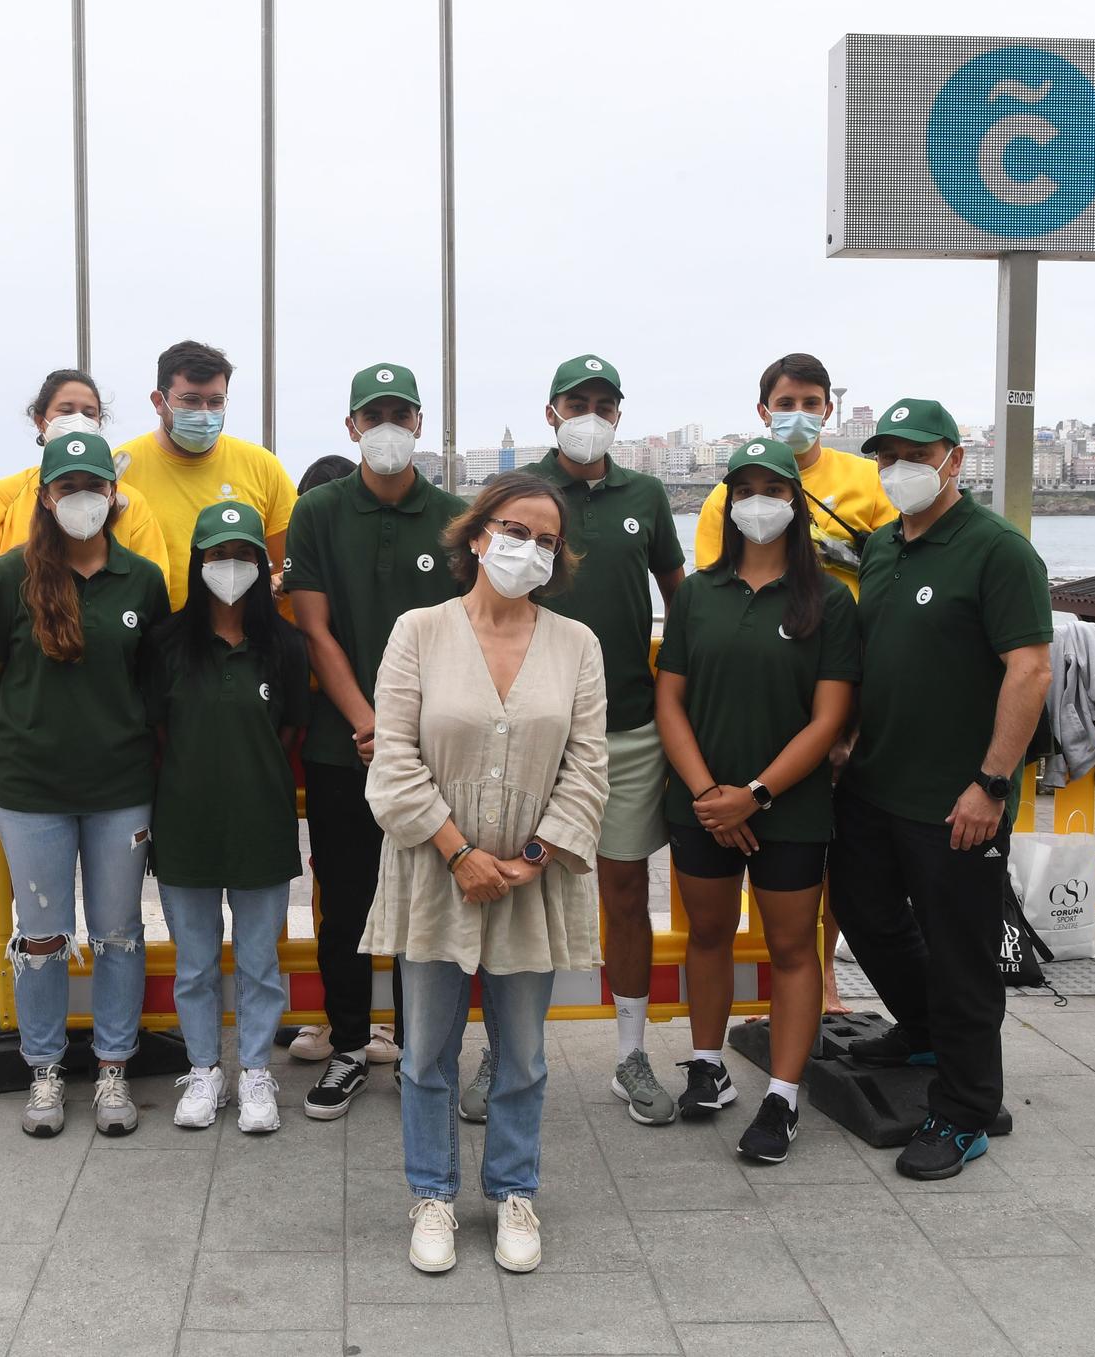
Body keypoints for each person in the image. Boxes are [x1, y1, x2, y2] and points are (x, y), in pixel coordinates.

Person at [364, 472, 609, 1275]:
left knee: (525, 1051)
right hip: (437, 871)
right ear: (476, 535)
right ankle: (432, 1192)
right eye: (515, 530)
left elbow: (587, 767)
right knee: (427, 1047)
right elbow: (393, 756)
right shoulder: (419, 631)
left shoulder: (578, 644)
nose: (529, 548)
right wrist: (459, 851)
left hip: (531, 879)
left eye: (545, 539)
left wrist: (530, 858)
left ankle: (513, 1190)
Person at [830, 398, 1052, 1180]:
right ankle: (920, 1025)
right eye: (887, 455)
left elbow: (1029, 668)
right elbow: (882, 654)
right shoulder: (885, 545)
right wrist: (849, 737)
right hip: (873, 780)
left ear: (954, 459)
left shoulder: (998, 550)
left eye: (916, 455)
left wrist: (992, 782)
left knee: (962, 954)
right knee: (862, 911)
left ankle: (963, 1110)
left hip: (959, 797)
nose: (900, 470)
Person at [655, 439, 860, 1164]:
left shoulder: (828, 600)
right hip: (702, 805)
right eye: (744, 488)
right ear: (728, 500)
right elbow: (670, 698)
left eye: (772, 487)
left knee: (791, 949)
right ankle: (707, 1065)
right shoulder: (698, 594)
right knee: (706, 936)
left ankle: (782, 1095)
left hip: (791, 806)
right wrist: (711, 793)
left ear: (795, 502)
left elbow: (829, 717)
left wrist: (758, 793)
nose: (758, 501)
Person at [0, 431, 170, 1137]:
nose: (83, 498)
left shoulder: (143, 579)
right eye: (67, 486)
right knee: (43, 934)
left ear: (113, 494)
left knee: (118, 932)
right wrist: (30, 729)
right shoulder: (6, 577)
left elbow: (153, 678)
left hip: (122, 788)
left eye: (95, 484)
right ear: (46, 497)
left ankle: (113, 1065)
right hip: (32, 792)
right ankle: (45, 1067)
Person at [282, 362, 465, 1119]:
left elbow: (467, 634)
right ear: (351, 427)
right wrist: (370, 723)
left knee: (435, 898)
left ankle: (431, 1051)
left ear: (419, 423)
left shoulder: (456, 514)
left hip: (435, 748)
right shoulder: (319, 511)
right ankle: (353, 1044)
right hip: (342, 742)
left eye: (401, 413)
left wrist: (407, 734)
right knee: (348, 899)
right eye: (373, 414)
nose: (387, 427)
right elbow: (315, 629)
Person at [694, 353, 898, 1016]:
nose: (801, 414)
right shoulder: (726, 496)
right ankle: (781, 978)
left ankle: (825, 966)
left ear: (829, 409)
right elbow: (715, 592)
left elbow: (898, 557)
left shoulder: (868, 479)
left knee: (830, 838)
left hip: (852, 681)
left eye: (814, 402)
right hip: (768, 679)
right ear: (763, 410)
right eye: (788, 402)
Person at [521, 354, 685, 1126]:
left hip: (627, 723)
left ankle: (629, 1053)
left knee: (624, 892)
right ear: (551, 410)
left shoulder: (646, 495)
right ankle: (505, 1054)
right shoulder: (519, 493)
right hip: (528, 727)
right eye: (576, 401)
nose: (590, 413)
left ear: (619, 415)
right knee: (520, 895)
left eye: (603, 403)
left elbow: (678, 595)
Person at [147, 501, 309, 1134]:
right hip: (185, 823)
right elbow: (157, 730)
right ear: (198, 561)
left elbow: (292, 730)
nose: (231, 566)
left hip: (261, 823)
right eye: (218, 555)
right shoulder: (166, 644)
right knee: (193, 963)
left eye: (244, 555)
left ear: (261, 563)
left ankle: (255, 1072)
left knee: (259, 961)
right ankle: (204, 1069)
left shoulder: (285, 646)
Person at [114, 340, 297, 607]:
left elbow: (292, 564)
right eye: (190, 400)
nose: (204, 413)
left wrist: (276, 583)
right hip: (151, 636)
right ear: (158, 401)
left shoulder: (262, 465)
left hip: (243, 638)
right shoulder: (120, 468)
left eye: (215, 401)